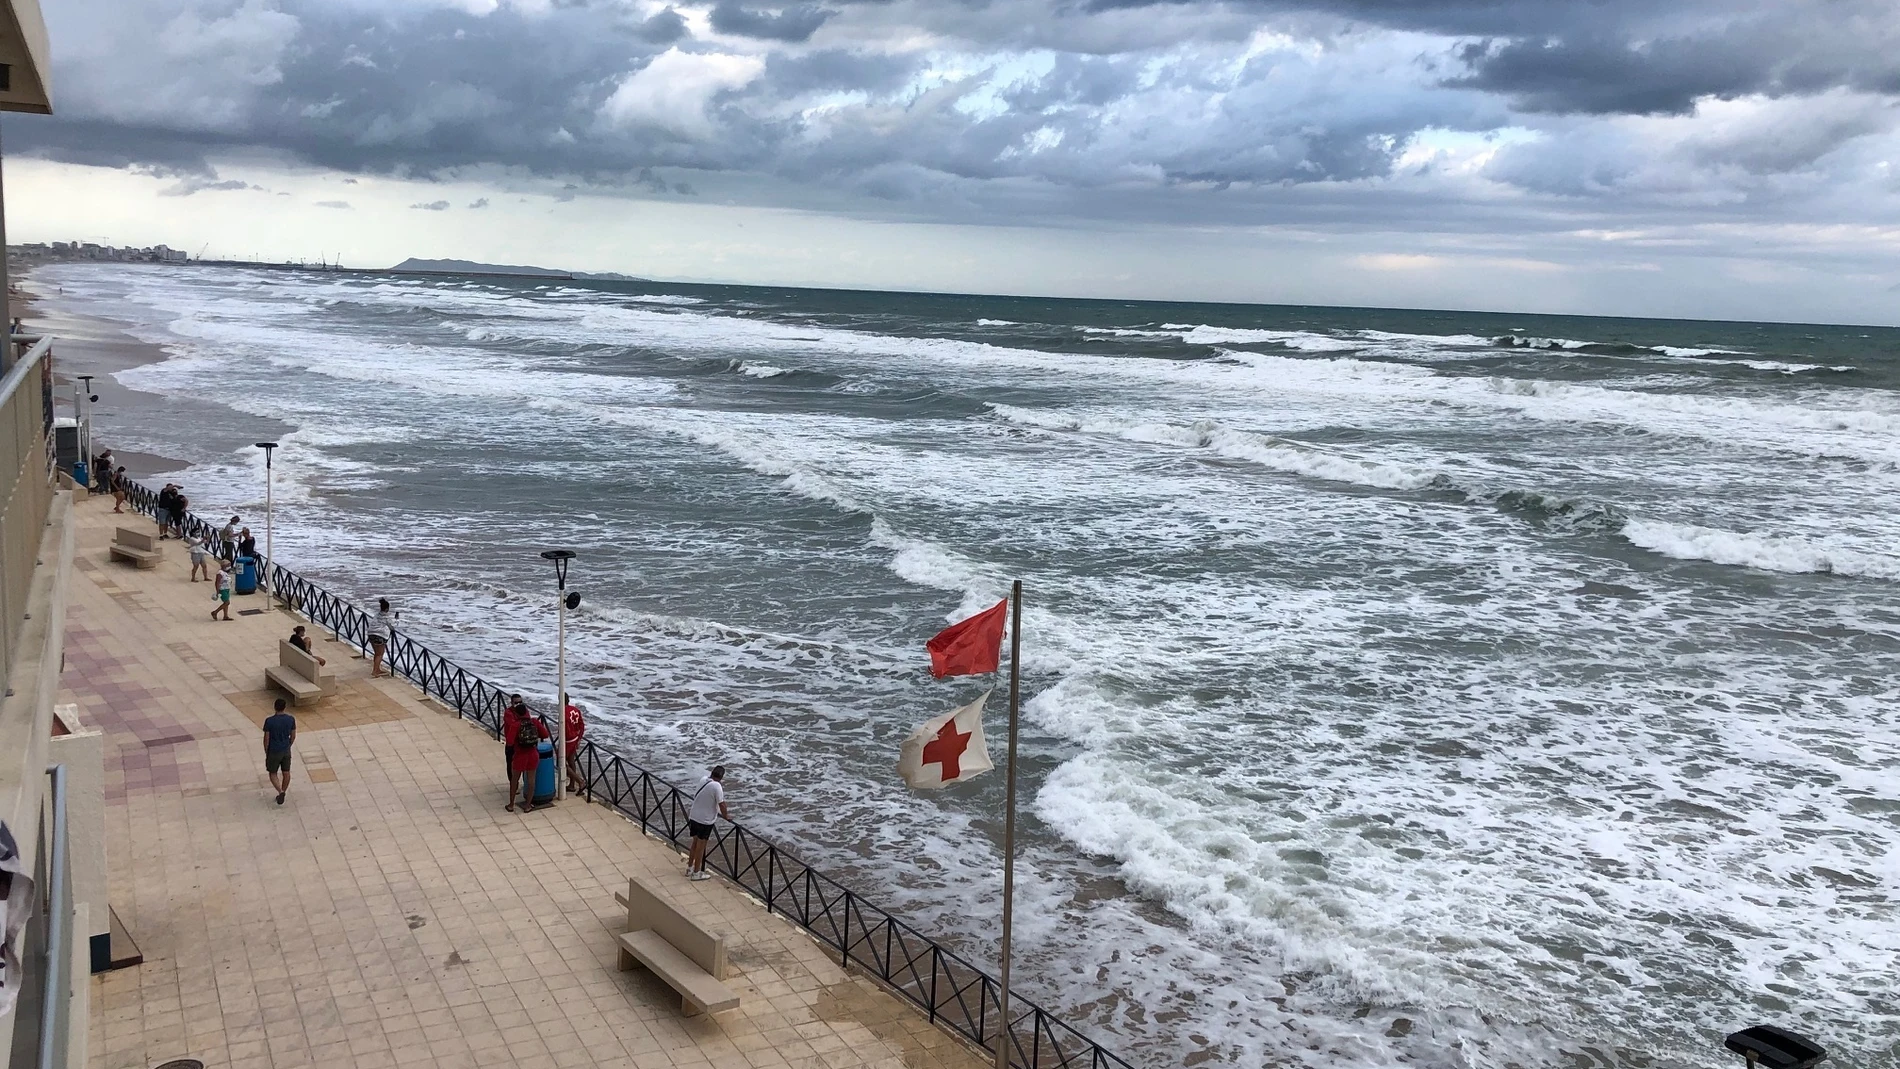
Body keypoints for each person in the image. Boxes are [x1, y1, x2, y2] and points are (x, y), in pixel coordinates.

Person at [500, 694, 549, 813]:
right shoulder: (534, 722)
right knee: (531, 780)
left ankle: (511, 805)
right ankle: (527, 805)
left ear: (516, 713)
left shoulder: (515, 725)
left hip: (520, 755)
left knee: (514, 779)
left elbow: (510, 742)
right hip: (533, 754)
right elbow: (545, 735)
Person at [685, 766, 730, 881]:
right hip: (705, 821)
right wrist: (726, 816)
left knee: (694, 843)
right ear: (721, 777)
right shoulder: (717, 786)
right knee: (701, 847)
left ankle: (689, 868)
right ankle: (696, 873)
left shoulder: (703, 779)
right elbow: (722, 804)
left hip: (694, 816)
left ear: (712, 773)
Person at [263, 698, 297, 805]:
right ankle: (283, 791)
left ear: (275, 707)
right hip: (285, 749)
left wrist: (266, 750)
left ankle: (280, 791)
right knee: (286, 772)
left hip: (274, 750)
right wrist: (288, 745)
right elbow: (293, 735)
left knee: (272, 772)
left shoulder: (269, 721)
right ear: (284, 707)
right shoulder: (291, 719)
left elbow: (266, 738)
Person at [563, 695, 586, 794]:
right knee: (571, 761)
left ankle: (580, 781)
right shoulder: (575, 710)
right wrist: (579, 738)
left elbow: (566, 728)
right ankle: (572, 785)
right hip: (575, 739)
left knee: (561, 763)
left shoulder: (563, 711)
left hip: (568, 740)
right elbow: (582, 725)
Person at [367, 598, 393, 677]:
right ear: (387, 609)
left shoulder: (376, 615)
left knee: (376, 653)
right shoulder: (387, 617)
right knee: (380, 654)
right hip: (379, 636)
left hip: (370, 634)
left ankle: (377, 669)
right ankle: (375, 671)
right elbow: (392, 627)